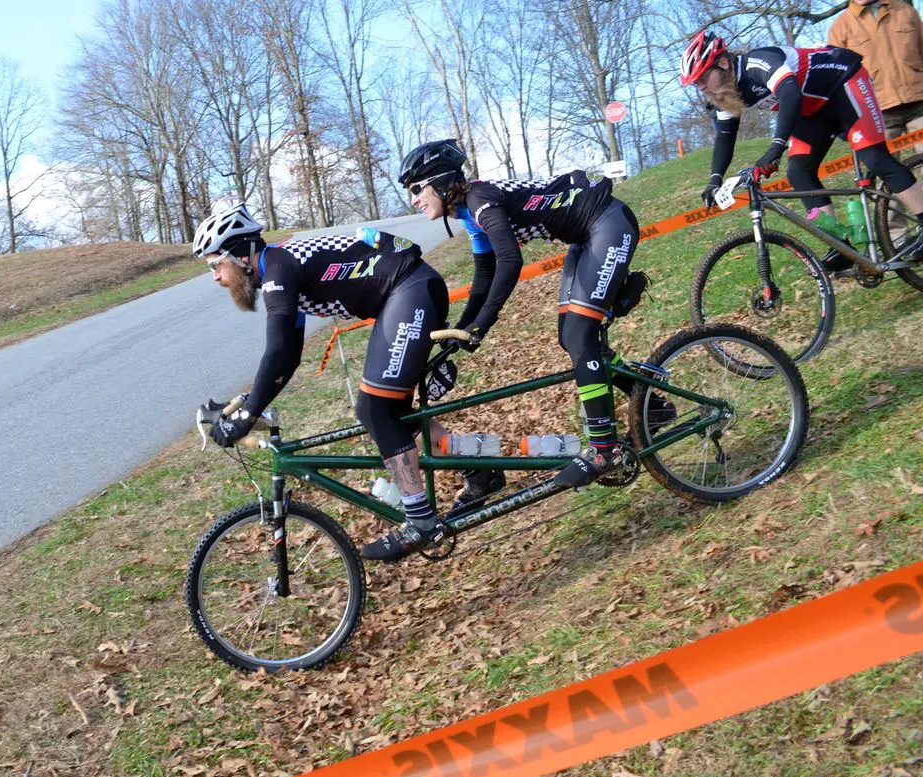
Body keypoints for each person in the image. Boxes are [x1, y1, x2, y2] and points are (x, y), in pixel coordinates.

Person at [193, 204, 501, 563]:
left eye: (216, 264)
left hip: (410, 288)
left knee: (375, 409)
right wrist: (252, 404)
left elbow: (277, 351)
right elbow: (288, 355)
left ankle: (421, 520)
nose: (216, 276)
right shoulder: (278, 271)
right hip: (406, 292)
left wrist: (246, 416)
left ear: (241, 255)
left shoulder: (278, 268)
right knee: (391, 413)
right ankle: (479, 471)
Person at [396, 140, 676, 491]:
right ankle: (651, 404)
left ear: (440, 182)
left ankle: (604, 449)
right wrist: (464, 329)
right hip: (585, 235)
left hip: (606, 222)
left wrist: (483, 322)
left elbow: (511, 261)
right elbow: (484, 274)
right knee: (572, 337)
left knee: (578, 334)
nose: (414, 200)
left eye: (417, 189)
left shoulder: (479, 201)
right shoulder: (467, 213)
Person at [680, 30, 923, 270]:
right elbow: (725, 136)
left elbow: (790, 94)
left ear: (722, 63)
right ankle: (840, 246)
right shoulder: (725, 93)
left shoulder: (757, 63)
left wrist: (776, 146)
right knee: (799, 172)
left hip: (844, 82)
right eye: (695, 83)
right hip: (813, 110)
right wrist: (714, 180)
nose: (700, 86)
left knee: (875, 158)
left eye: (702, 77)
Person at [828, 0, 923, 243]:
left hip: (919, 101)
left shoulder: (905, 10)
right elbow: (833, 79)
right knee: (888, 178)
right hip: (876, 113)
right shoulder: (840, 27)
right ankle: (900, 240)